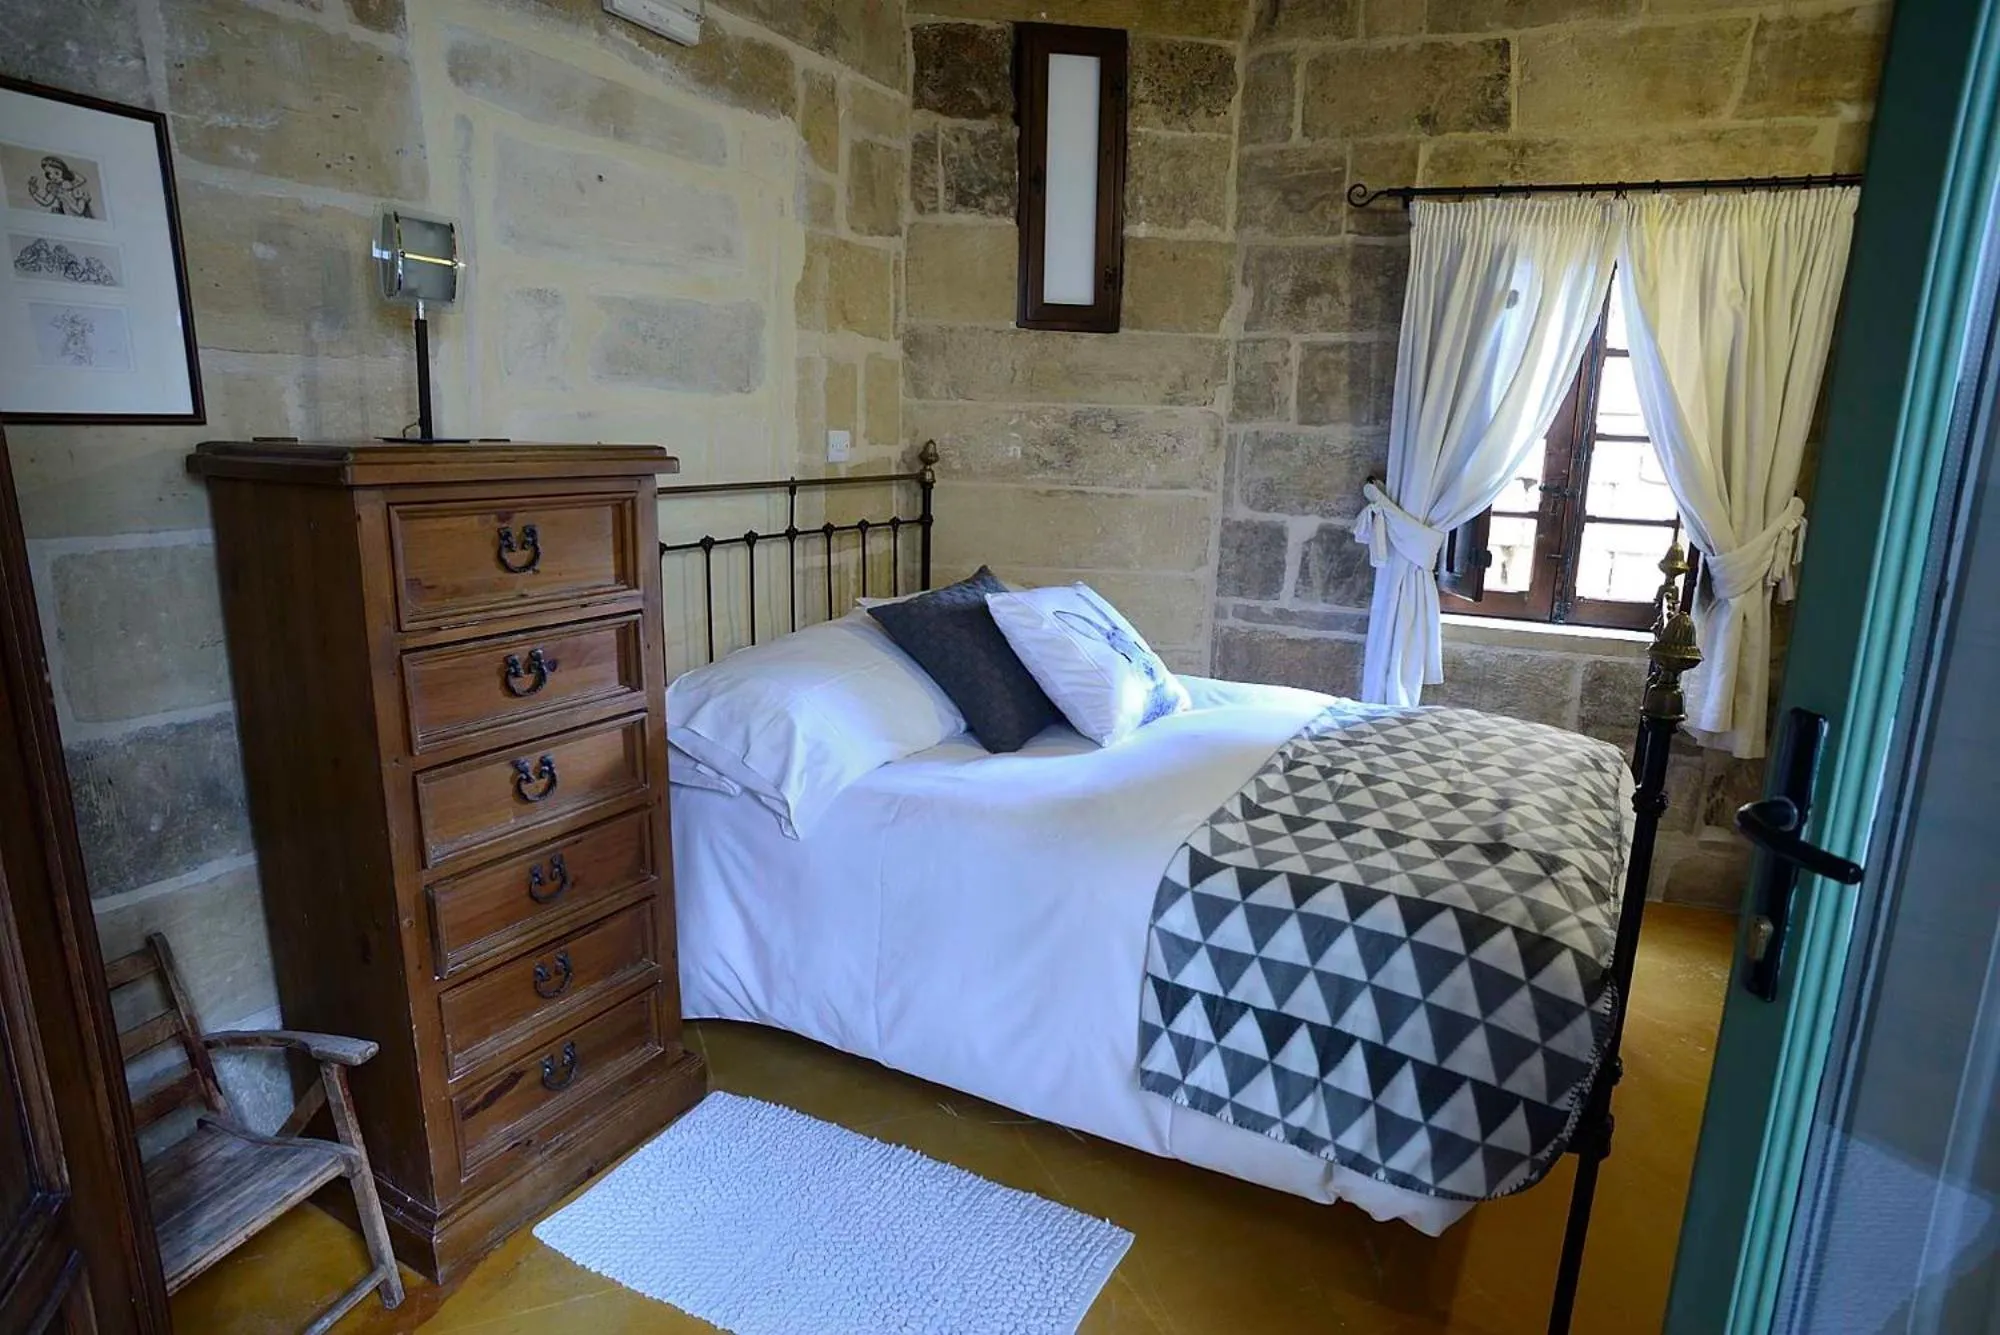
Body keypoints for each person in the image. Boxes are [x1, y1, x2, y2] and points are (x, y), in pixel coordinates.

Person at [27, 156, 95, 218]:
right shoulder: (54, 187)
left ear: (63, 170)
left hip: (80, 215)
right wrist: (34, 193)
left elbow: (82, 180)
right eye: (49, 174)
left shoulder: (72, 183)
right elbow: (46, 202)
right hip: (67, 216)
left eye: (56, 172)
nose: (52, 176)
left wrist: (67, 194)